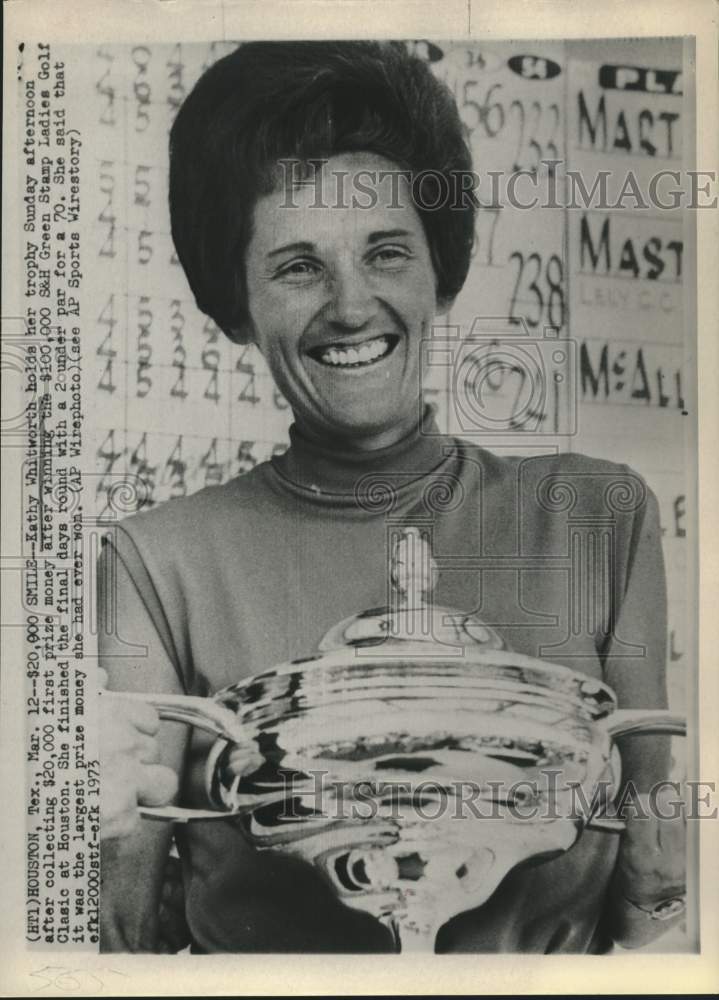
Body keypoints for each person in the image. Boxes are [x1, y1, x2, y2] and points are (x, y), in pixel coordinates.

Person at [98, 41, 684, 953]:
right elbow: (121, 934)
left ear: (437, 269)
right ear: (235, 308)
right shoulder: (157, 563)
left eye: (385, 252)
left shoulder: (597, 518)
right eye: (298, 267)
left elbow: (653, 896)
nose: (351, 303)